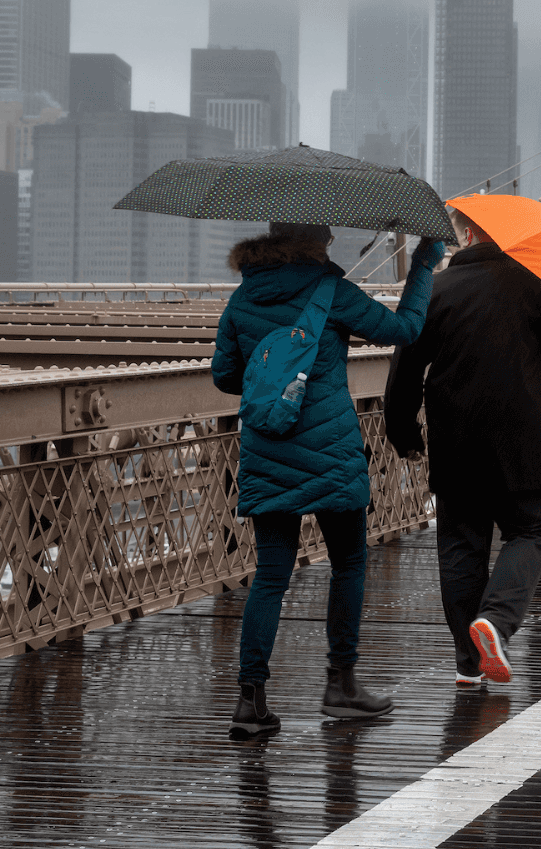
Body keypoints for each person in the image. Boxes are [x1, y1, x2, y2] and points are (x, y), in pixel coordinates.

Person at [211, 222, 442, 736]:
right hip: (330, 450)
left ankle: (250, 701)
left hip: (268, 448)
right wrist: (423, 266)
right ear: (317, 241)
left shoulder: (243, 297)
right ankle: (341, 685)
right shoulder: (331, 290)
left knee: (270, 575)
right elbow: (405, 330)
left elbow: (225, 375)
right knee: (348, 563)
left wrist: (271, 367)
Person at [384, 210, 541, 687]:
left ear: (467, 234)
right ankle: (495, 623)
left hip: (456, 444)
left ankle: (468, 663)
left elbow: (404, 370)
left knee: (461, 545)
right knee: (534, 529)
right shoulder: (531, 281)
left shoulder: (433, 291)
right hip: (528, 443)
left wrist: (403, 433)